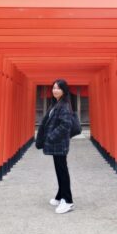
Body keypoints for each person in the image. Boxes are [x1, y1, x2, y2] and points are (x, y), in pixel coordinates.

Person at [35, 79, 79, 214]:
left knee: (62, 171)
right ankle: (60, 196)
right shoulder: (56, 103)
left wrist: (51, 136)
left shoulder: (64, 105)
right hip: (57, 144)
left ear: (64, 91)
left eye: (58, 88)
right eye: (53, 88)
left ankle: (68, 201)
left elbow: (65, 125)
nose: (55, 90)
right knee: (60, 170)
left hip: (59, 143)